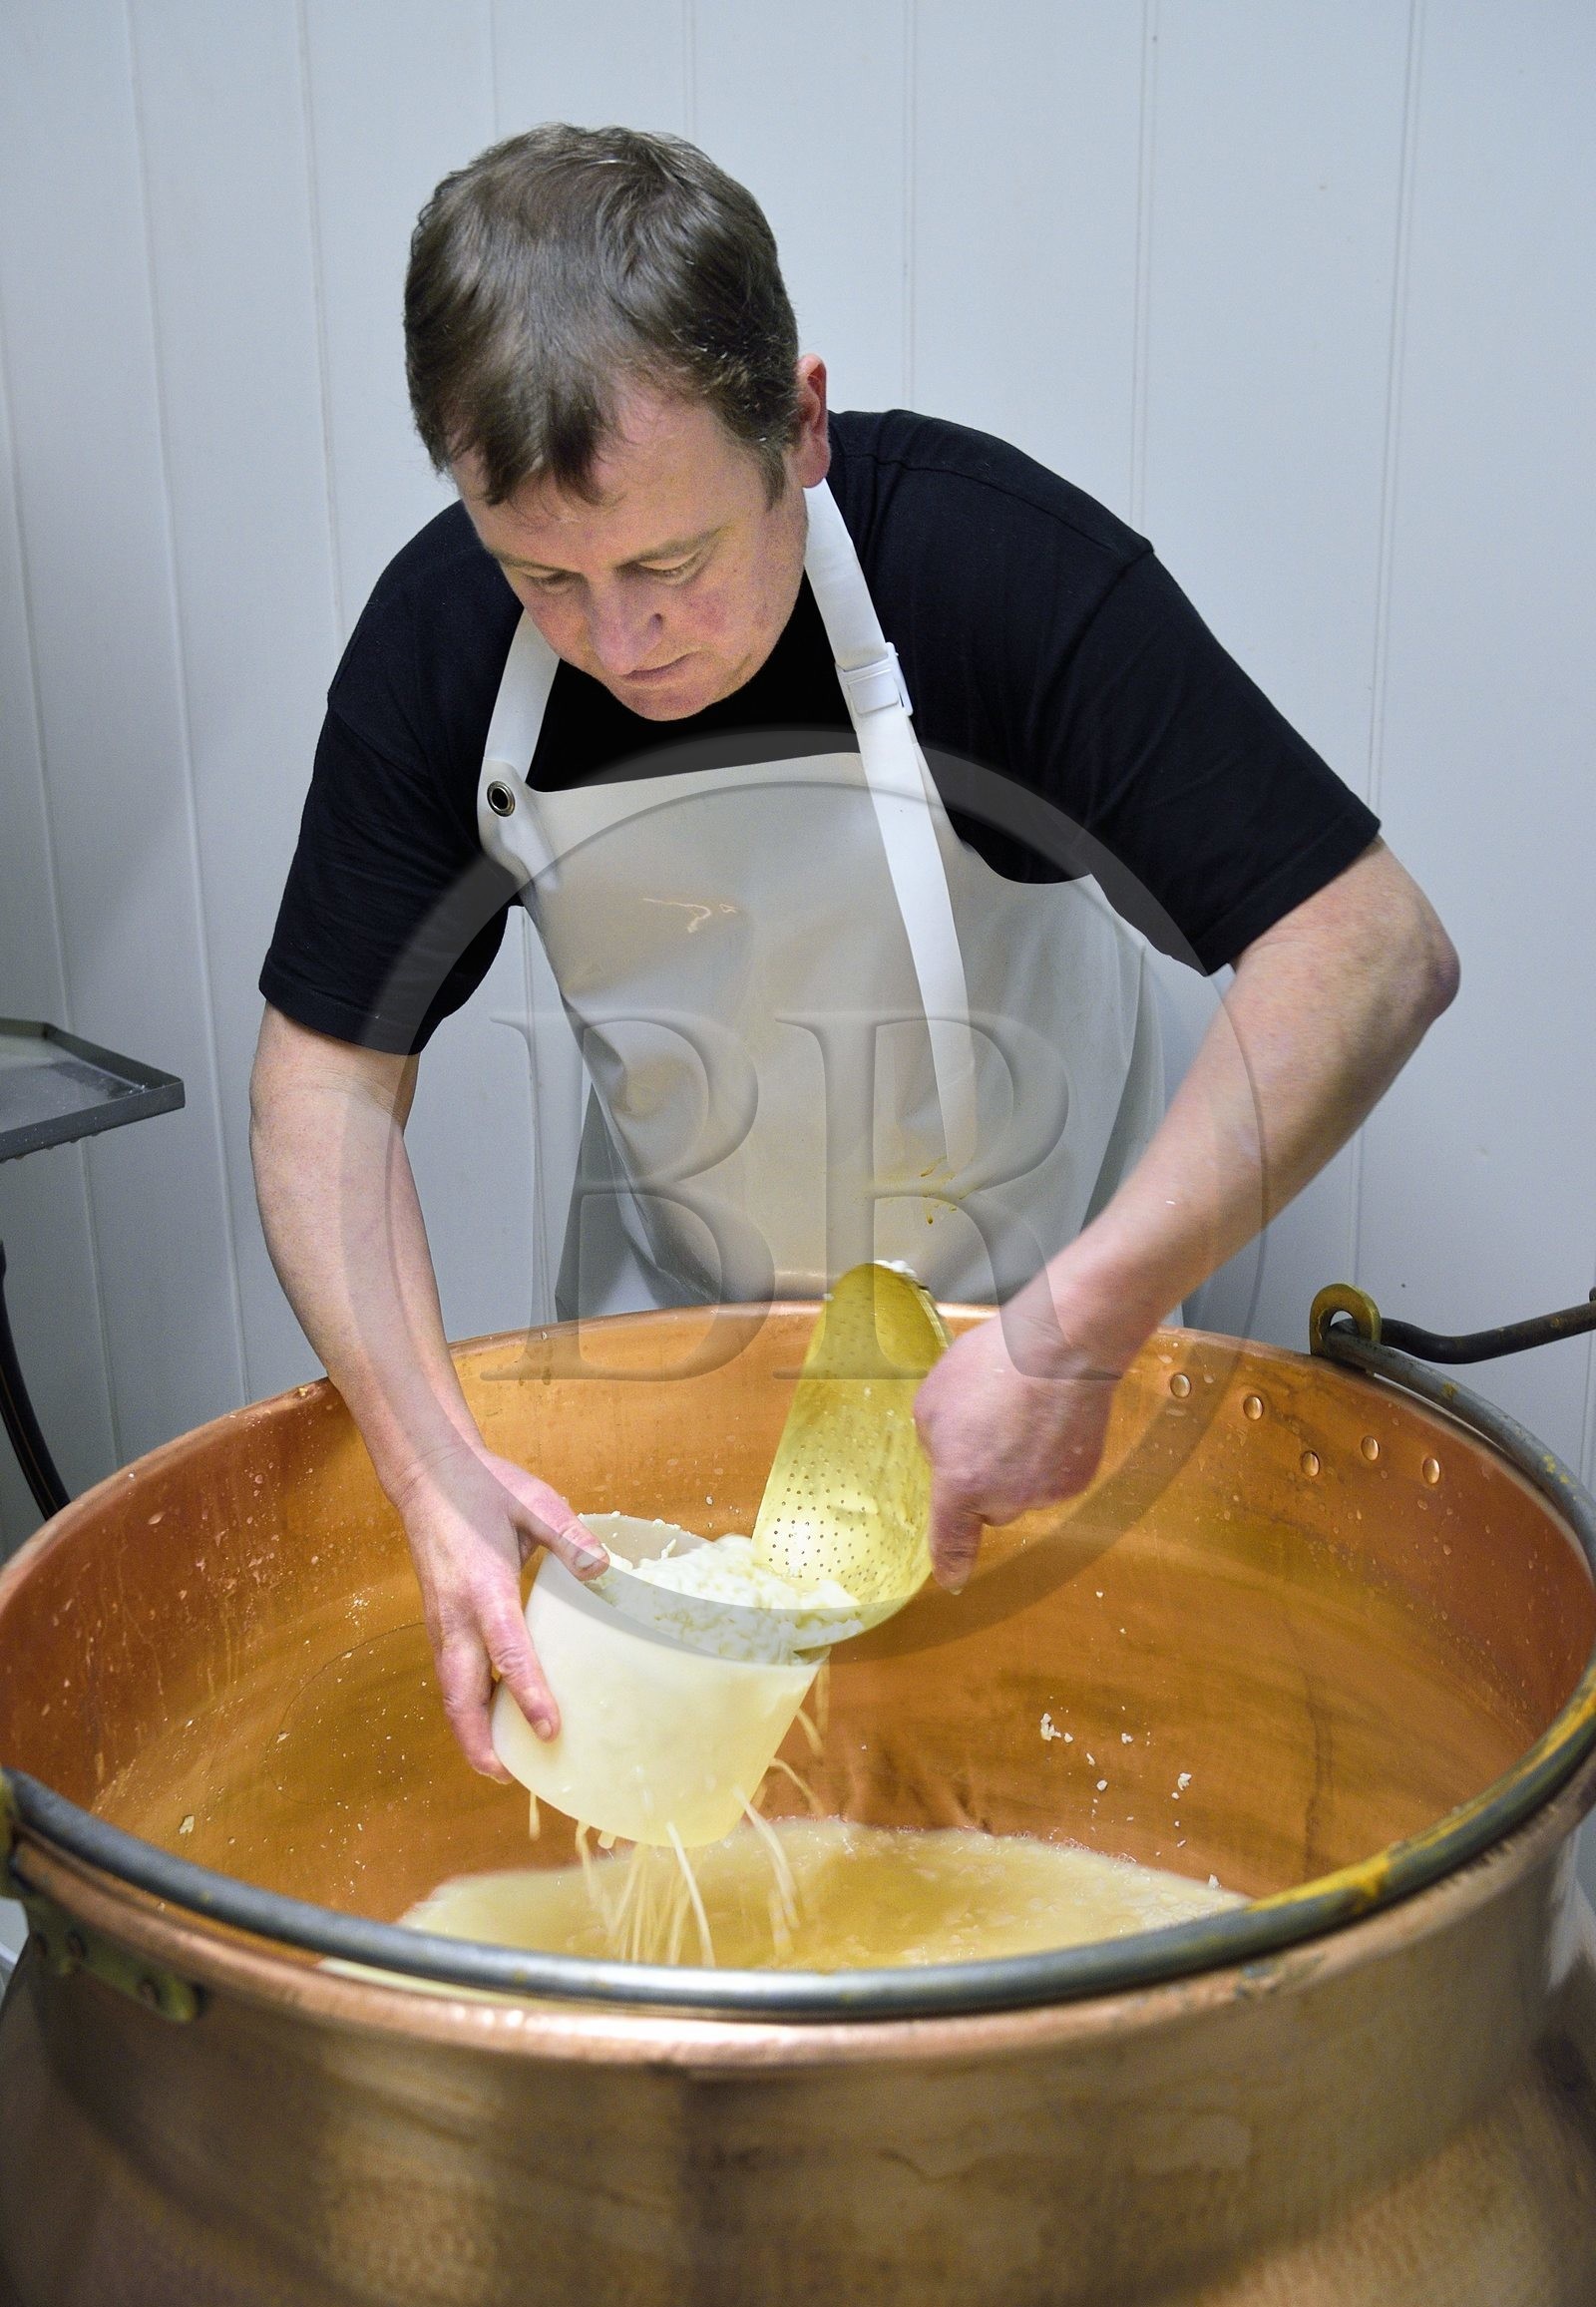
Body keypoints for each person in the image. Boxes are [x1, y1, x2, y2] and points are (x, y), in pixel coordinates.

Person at [251, 125, 1458, 1782]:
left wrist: (1073, 1332)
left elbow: (1369, 949)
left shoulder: (989, 573)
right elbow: (323, 1096)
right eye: (547, 577)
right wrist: (424, 1463)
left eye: (670, 563)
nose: (619, 642)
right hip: (671, 1319)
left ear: (799, 425)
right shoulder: (439, 646)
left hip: (1039, 1303)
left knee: (1040, 1781)